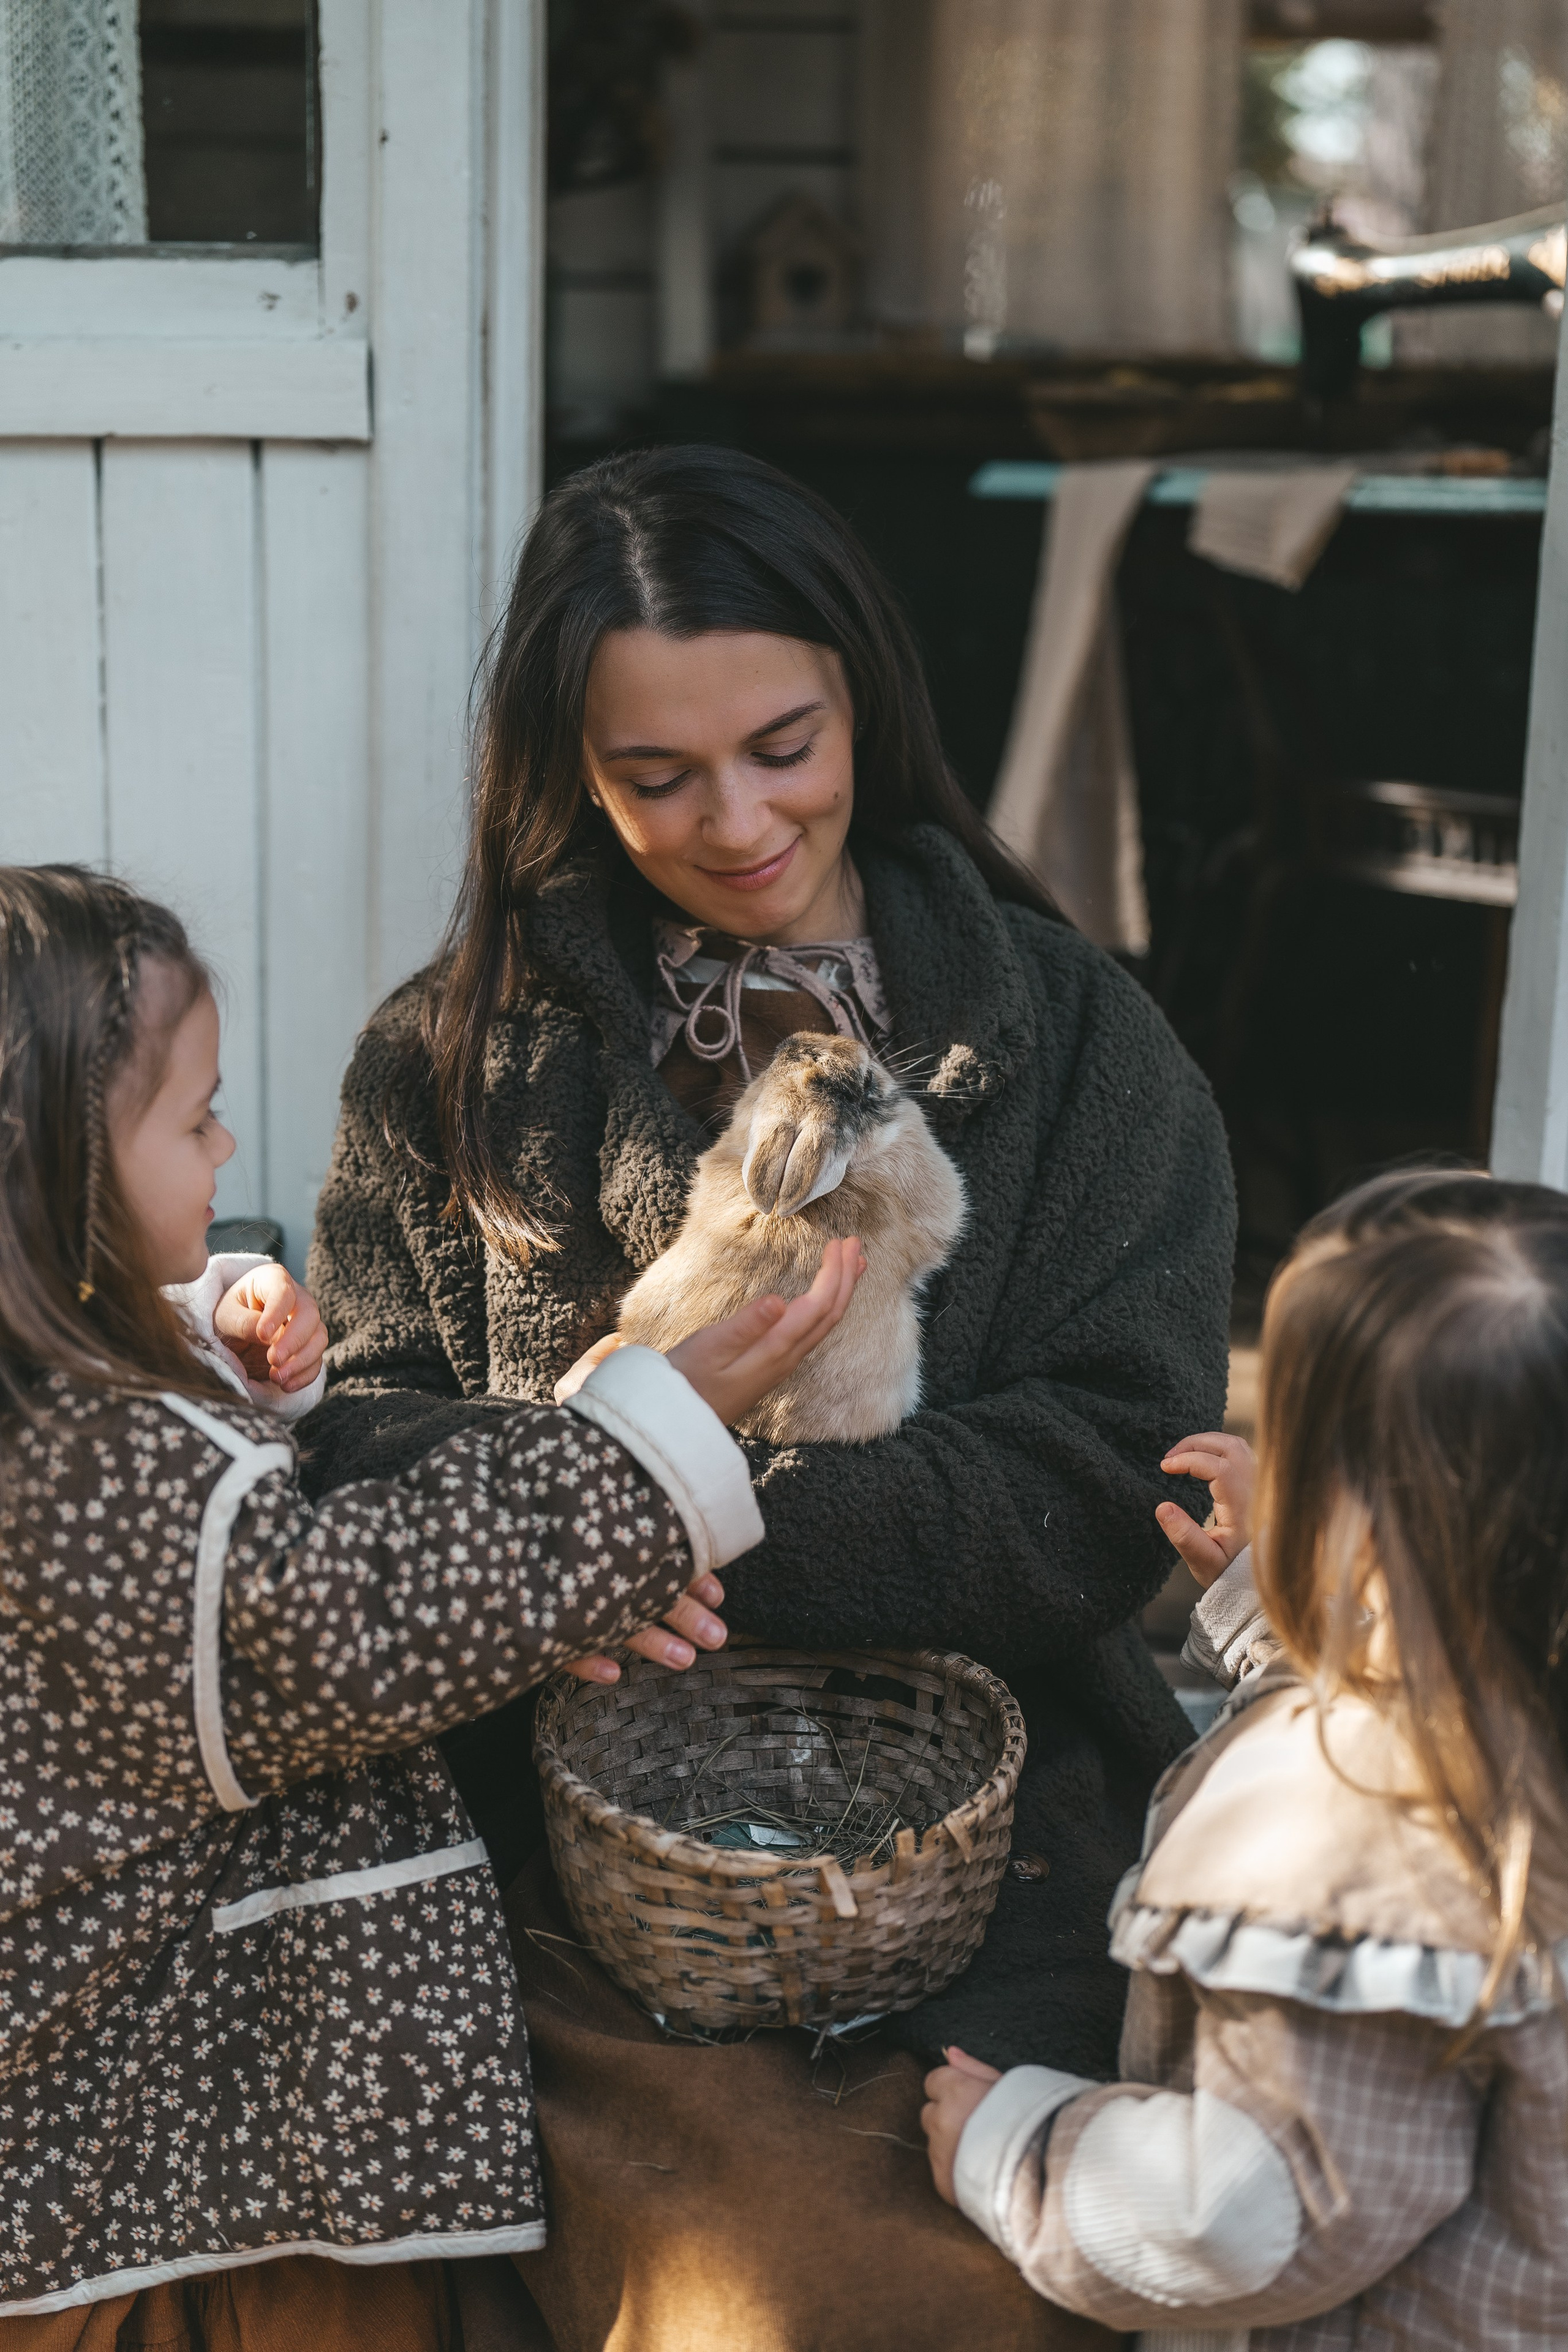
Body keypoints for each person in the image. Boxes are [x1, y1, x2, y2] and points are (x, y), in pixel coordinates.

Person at [303, 443, 1235, 2350]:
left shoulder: (1073, 1040)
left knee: (916, 2287)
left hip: (991, 1828)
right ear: (565, 774)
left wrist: (674, 1508)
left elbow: (1107, 1465)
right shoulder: (450, 1062)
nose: (734, 820)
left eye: (783, 747)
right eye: (655, 777)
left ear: (867, 706)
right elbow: (361, 1421)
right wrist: (575, 1528)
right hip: (562, 1845)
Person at [0, 865, 862, 2342]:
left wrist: (207, 1321)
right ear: (55, 1176)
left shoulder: (57, 1403)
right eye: (192, 1120)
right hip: (168, 2162)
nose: (224, 1146)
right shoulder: (94, 1470)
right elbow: (362, 1625)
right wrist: (641, 1450)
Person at [922, 1167, 1568, 2346]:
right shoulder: (1509, 1704)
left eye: (1305, 1434)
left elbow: (1249, 2217)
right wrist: (1285, 1623)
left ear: (1360, 1503)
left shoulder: (1353, 1834)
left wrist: (1019, 2150)